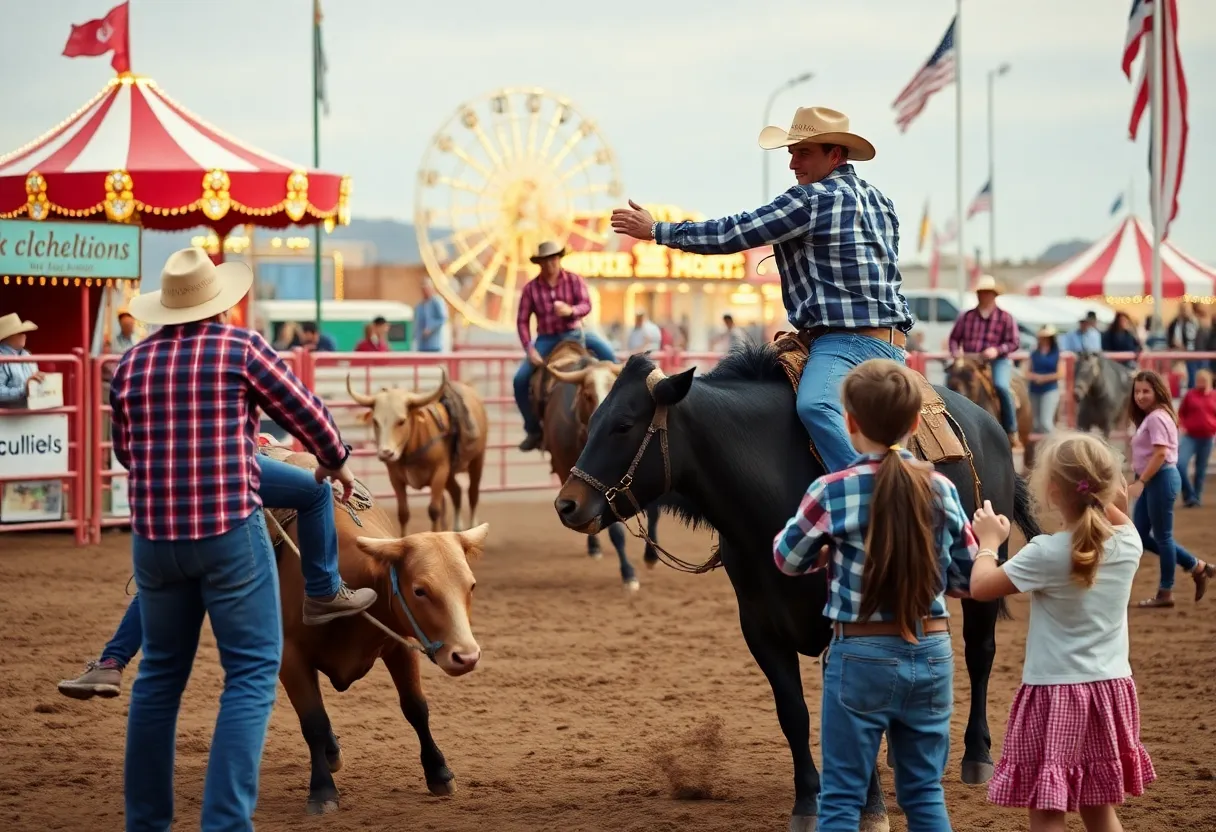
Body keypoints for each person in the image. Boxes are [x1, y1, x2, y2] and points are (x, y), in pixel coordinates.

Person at [109, 247, 377, 830]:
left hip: (154, 541)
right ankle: (226, 822)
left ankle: (146, 822)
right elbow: (309, 414)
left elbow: (127, 453)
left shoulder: (132, 364)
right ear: (220, 304)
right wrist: (336, 462)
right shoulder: (240, 348)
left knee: (158, 678)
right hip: (227, 528)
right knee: (252, 672)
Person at [611, 106, 910, 474]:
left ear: (835, 154)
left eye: (803, 153)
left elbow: (733, 233)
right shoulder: (882, 202)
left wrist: (658, 231)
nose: (792, 164)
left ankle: (873, 491)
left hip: (842, 343)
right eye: (791, 153)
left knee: (814, 406)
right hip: (893, 345)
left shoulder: (811, 200)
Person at [773, 359, 975, 831]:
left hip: (860, 651)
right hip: (931, 649)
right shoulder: (941, 489)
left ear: (850, 422)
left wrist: (826, 553)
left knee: (841, 798)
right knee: (925, 794)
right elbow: (964, 582)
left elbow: (786, 558)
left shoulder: (831, 490)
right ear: (912, 425)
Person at [968, 432, 1156, 832]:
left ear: (1052, 492)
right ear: (1109, 487)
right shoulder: (1129, 542)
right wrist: (1106, 493)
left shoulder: (1046, 552)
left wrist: (988, 542)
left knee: (1047, 808)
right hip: (1110, 691)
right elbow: (1113, 511)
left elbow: (981, 587)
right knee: (1099, 808)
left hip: (1055, 695)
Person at [514, 240, 617, 451]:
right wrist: (529, 348)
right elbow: (522, 321)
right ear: (540, 263)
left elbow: (586, 305)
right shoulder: (531, 289)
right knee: (520, 380)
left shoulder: (573, 280)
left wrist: (571, 311)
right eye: (546, 260)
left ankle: (619, 413)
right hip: (547, 339)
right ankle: (533, 430)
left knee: (612, 359)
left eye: (553, 259)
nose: (550, 264)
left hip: (575, 333)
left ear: (559, 259)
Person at [1126, 370, 1215, 608]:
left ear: (1157, 392)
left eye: (1146, 391)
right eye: (1137, 392)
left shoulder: (1155, 417)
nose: (1141, 396)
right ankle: (1197, 566)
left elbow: (1161, 453)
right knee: (1142, 535)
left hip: (1159, 478)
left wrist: (1141, 482)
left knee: (1162, 537)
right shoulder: (1155, 416)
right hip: (1155, 478)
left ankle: (1166, 592)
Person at [947, 275, 1021, 447]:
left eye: (988, 292)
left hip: (996, 360)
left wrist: (997, 350)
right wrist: (956, 352)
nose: (984, 296)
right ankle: (948, 426)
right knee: (951, 382)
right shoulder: (966, 316)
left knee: (1001, 386)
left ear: (994, 295)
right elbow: (954, 339)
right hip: (970, 359)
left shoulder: (1005, 317)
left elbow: (1014, 342)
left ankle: (1011, 429)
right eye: (981, 292)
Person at [1177, 368, 1216, 507]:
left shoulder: (1214, 396)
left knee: (1200, 469)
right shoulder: (1190, 395)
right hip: (1190, 436)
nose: (1201, 383)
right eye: (1199, 380)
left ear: (1210, 381)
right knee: (1180, 464)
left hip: (1207, 438)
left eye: (1203, 381)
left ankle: (1195, 499)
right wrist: (1181, 425)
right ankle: (1190, 495)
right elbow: (1181, 413)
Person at [0, 312, 43, 408]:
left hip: (29, 413)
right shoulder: (1, 358)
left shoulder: (27, 355)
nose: (25, 335)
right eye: (20, 332)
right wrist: (24, 390)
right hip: (7, 419)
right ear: (7, 336)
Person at [1026, 325, 1061, 437]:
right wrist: (1035, 377)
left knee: (1046, 423)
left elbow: (1061, 373)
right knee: (1035, 423)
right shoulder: (1034, 353)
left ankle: (1052, 447)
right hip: (1035, 389)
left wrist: (1042, 378)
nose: (1044, 339)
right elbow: (1026, 371)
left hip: (1049, 389)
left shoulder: (1057, 353)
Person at [414, 279, 448, 352]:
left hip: (434, 345)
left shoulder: (437, 302)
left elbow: (443, 318)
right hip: (421, 345)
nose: (425, 292)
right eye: (423, 289)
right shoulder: (420, 305)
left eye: (426, 289)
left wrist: (430, 328)